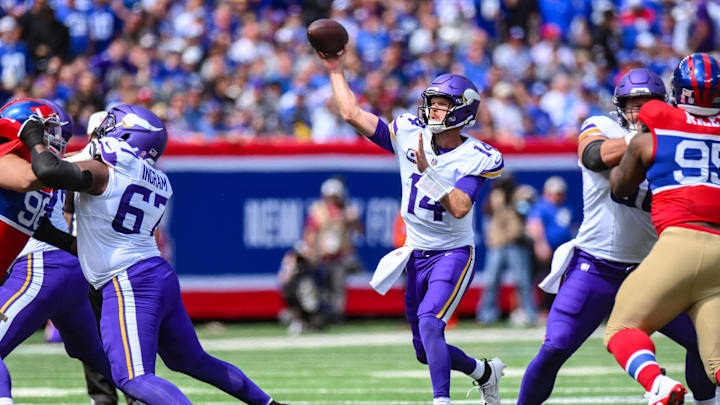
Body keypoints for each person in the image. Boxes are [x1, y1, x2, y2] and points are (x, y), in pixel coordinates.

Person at [17, 103, 286, 405]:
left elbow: (47, 170)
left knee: (132, 377)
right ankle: (269, 404)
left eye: (111, 123)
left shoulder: (104, 170)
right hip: (156, 272)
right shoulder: (157, 178)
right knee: (193, 360)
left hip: (127, 280)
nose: (104, 128)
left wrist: (33, 138)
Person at [518, 67, 718, 405]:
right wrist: (644, 135)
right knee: (556, 347)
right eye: (631, 104)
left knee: (703, 341)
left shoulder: (674, 138)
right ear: (618, 106)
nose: (638, 111)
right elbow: (592, 155)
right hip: (596, 266)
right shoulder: (607, 127)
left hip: (654, 267)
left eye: (648, 104)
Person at [317, 47, 505, 405]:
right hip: (416, 253)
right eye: (431, 102)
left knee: (431, 323)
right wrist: (336, 68)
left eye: (441, 104)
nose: (432, 109)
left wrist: (428, 174)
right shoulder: (408, 131)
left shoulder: (477, 155)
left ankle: (441, 401)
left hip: (452, 253)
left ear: (463, 111)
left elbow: (462, 207)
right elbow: (351, 113)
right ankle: (484, 372)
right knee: (424, 348)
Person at [603, 54, 720, 404]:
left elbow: (619, 187)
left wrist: (639, 142)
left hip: (680, 242)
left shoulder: (651, 134)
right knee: (716, 360)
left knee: (622, 328)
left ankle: (657, 384)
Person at [0, 98, 126, 405]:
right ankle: (150, 391)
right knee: (99, 358)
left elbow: (37, 216)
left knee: (98, 357)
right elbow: (32, 181)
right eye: (50, 131)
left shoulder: (38, 173)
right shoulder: (34, 172)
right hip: (62, 273)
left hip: (46, 269)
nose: (57, 138)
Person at [476, 175, 537, 327]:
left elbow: (527, 205)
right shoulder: (496, 196)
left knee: (523, 281)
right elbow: (486, 210)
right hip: (497, 243)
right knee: (491, 281)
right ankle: (486, 314)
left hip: (515, 242)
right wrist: (495, 192)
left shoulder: (520, 193)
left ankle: (530, 313)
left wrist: (515, 197)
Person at [303, 177, 362, 321]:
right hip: (322, 255)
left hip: (340, 256)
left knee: (338, 287)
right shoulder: (318, 210)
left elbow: (359, 231)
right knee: (321, 287)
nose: (333, 200)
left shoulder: (348, 211)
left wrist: (352, 221)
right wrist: (310, 250)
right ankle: (323, 314)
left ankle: (336, 316)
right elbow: (310, 232)